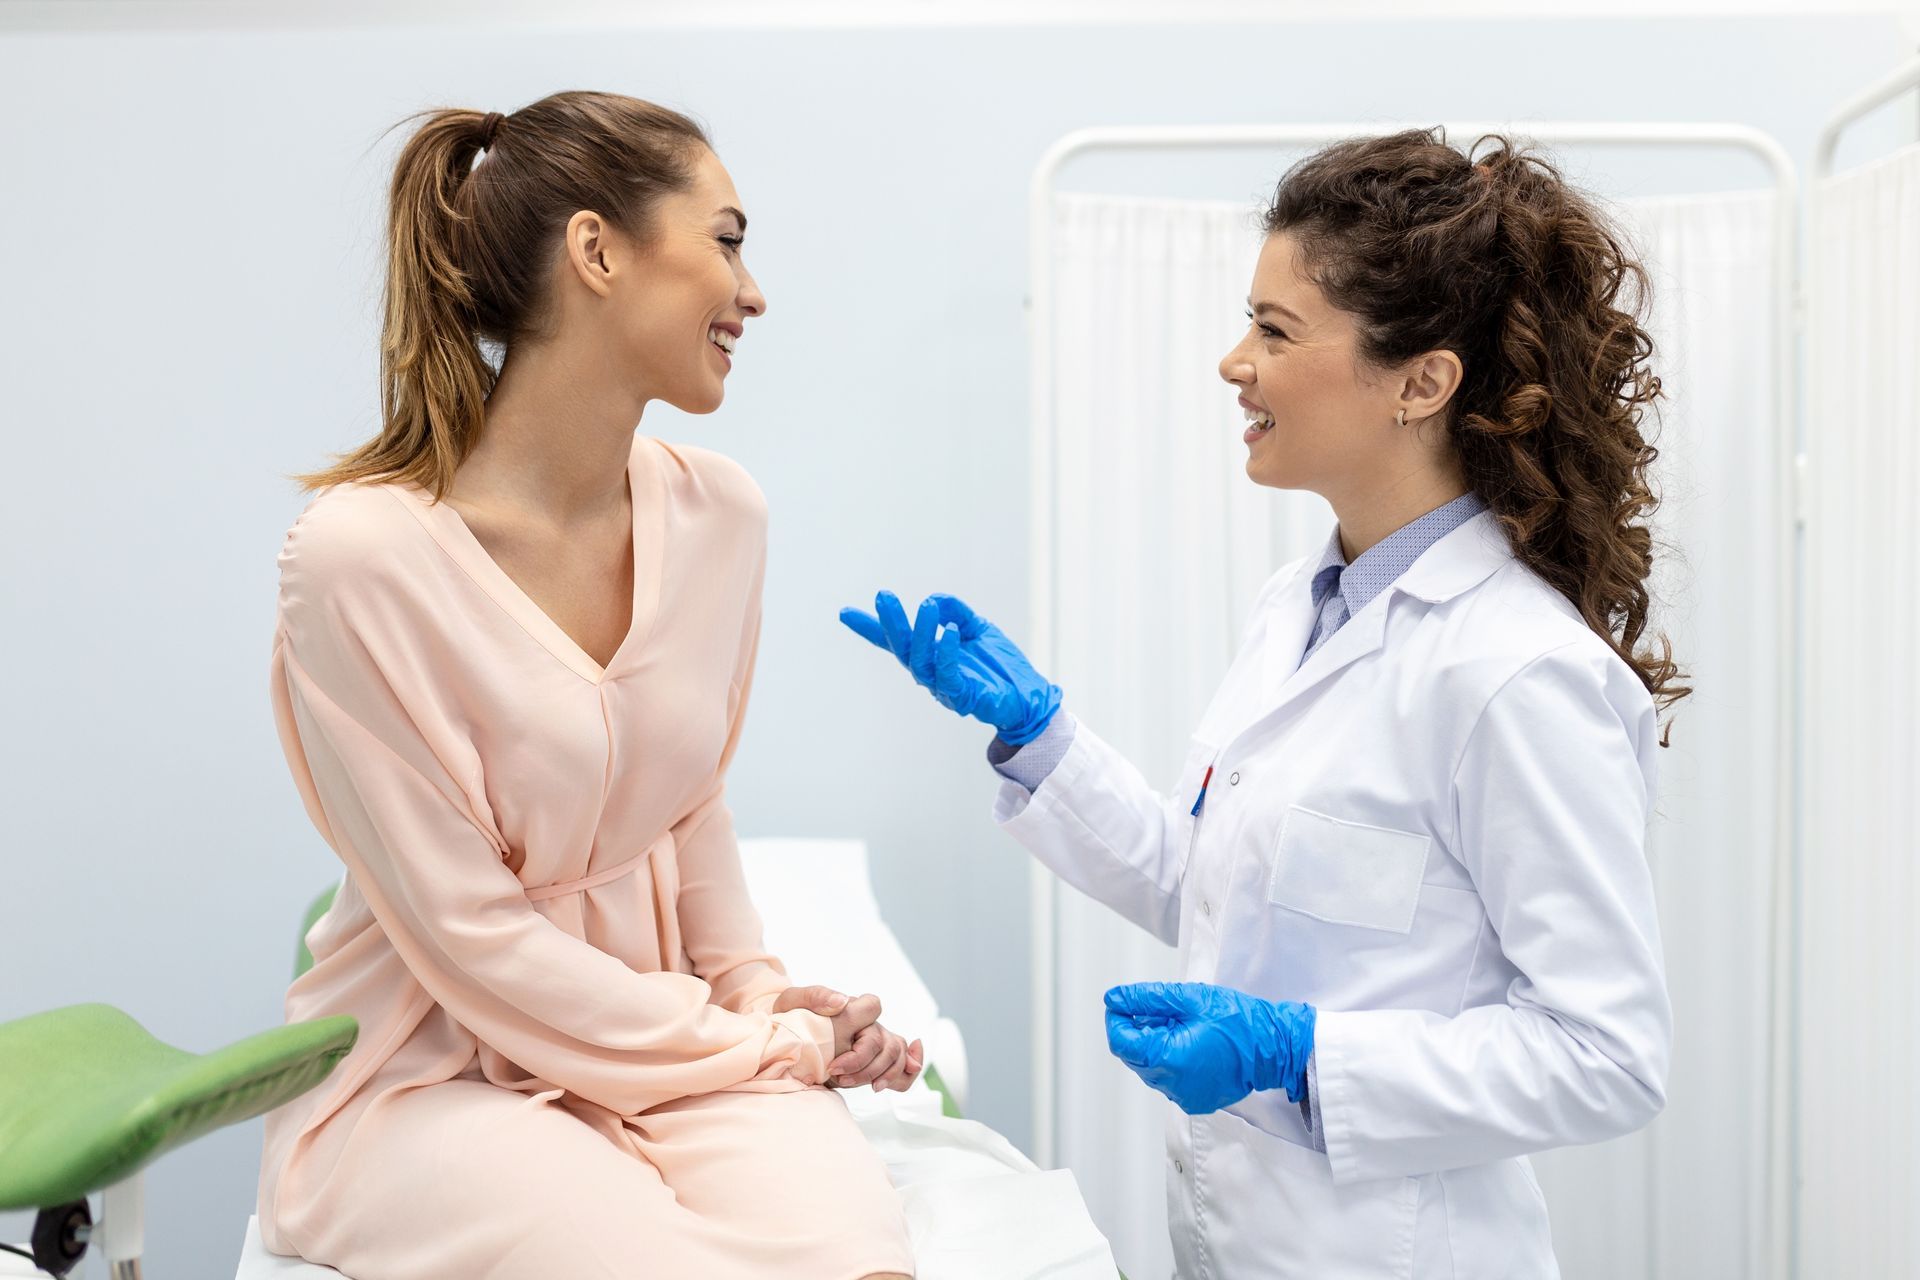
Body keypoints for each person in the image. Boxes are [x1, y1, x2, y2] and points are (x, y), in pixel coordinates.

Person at [844, 128, 1679, 1278]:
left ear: (1423, 382)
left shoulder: (1516, 672)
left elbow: (1607, 1053)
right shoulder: (1303, 603)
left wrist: (1302, 1056)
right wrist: (1040, 737)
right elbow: (1219, 887)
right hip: (1238, 1240)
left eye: (1275, 331)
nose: (1235, 362)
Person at [261, 91, 917, 1280]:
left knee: (858, 1252)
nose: (753, 290)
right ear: (598, 250)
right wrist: (756, 1042)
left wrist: (761, 1000)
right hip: (431, 1069)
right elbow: (471, 935)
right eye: (727, 239)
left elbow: (689, 803)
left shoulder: (722, 513)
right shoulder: (361, 560)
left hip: (669, 1039)